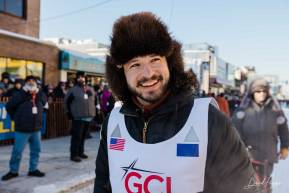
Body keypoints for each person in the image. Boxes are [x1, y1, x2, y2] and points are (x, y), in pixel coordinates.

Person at [94, 12, 258, 193]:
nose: (148, 73)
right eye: (135, 64)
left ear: (170, 63)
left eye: (155, 59)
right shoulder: (113, 122)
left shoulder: (210, 121)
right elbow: (104, 181)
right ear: (121, 74)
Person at [232, 79, 289, 193]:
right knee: (248, 184)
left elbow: (283, 128)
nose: (262, 93)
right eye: (258, 91)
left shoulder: (275, 108)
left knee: (265, 184)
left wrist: (285, 146)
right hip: (248, 153)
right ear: (252, 93)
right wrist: (239, 141)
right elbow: (235, 127)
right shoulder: (244, 108)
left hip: (268, 152)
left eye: (264, 91)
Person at [2, 76, 47, 181]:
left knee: (36, 150)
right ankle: (13, 171)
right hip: (22, 129)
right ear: (25, 83)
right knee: (17, 151)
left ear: (36, 83)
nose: (31, 83)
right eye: (29, 81)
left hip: (36, 129)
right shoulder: (19, 94)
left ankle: (33, 169)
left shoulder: (41, 94)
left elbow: (44, 107)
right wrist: (16, 118)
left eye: (33, 81)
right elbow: (9, 107)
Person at [63, 71, 95, 162]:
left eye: (82, 77)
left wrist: (95, 112)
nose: (80, 78)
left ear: (85, 78)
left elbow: (94, 102)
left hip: (88, 117)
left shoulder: (90, 89)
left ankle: (81, 152)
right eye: (78, 77)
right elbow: (66, 102)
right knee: (76, 136)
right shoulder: (73, 90)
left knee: (84, 136)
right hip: (77, 117)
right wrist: (68, 113)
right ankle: (74, 154)